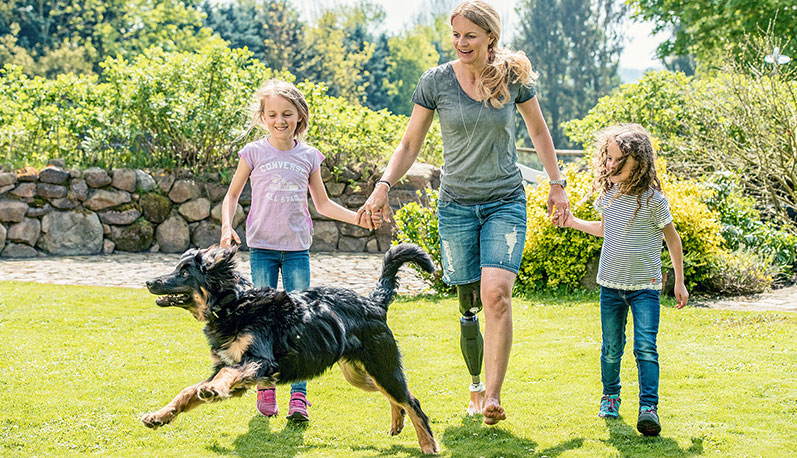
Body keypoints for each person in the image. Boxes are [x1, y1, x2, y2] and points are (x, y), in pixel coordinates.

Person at [356, 0, 570, 425]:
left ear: (490, 36)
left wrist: (556, 183)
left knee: (496, 295)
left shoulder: (512, 78)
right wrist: (382, 186)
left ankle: (493, 396)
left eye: (470, 35)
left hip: (505, 200)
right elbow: (409, 144)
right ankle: (474, 383)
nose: (461, 42)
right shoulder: (435, 81)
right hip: (456, 205)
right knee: (469, 302)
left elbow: (538, 130)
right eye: (456, 34)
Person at [219, 79, 380, 422]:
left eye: (287, 114)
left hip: (296, 251)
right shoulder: (253, 153)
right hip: (262, 249)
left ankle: (299, 397)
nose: (280, 120)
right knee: (262, 324)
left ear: (300, 117)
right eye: (273, 114)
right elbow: (231, 195)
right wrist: (226, 226)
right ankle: (265, 387)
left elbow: (323, 204)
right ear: (263, 117)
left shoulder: (308, 156)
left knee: (301, 325)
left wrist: (357, 219)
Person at [553, 123, 689, 436]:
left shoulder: (654, 201)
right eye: (609, 158)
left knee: (646, 348)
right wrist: (572, 222)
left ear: (639, 162)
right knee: (612, 348)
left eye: (619, 160)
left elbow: (673, 240)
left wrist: (679, 281)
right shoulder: (609, 194)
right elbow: (605, 229)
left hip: (645, 288)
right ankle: (610, 396)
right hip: (610, 286)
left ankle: (648, 408)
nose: (611, 165)